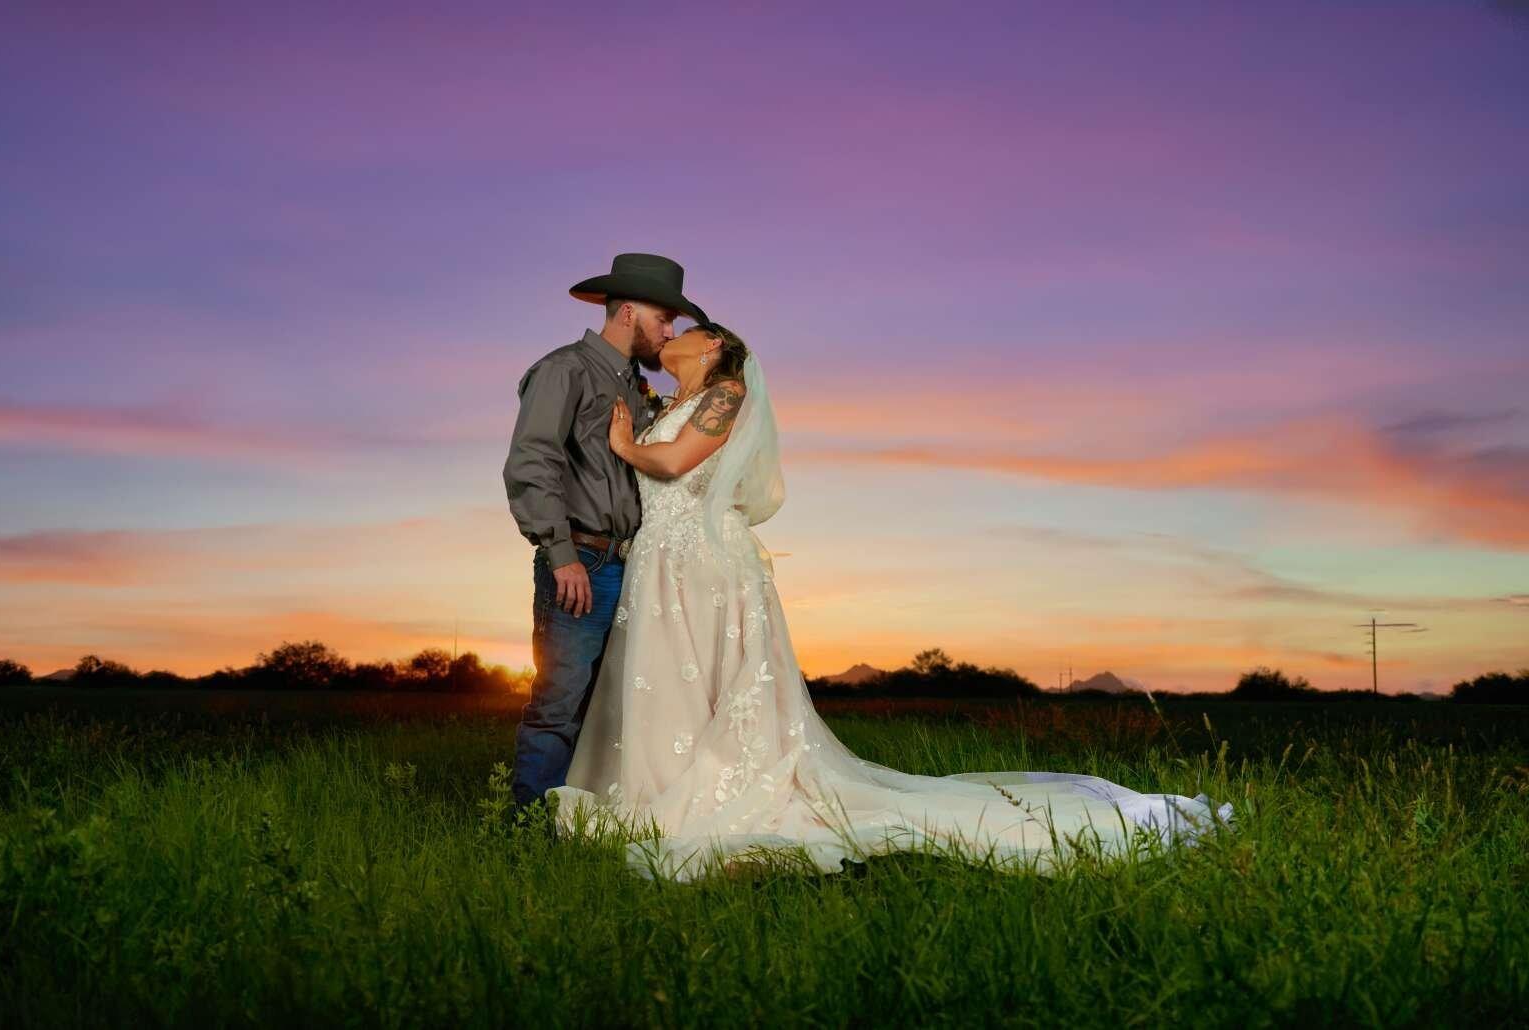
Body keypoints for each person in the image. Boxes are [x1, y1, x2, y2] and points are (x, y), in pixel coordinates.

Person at [545, 321, 1237, 882]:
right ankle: (657, 789)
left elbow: (671, 464)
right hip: (662, 564)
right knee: (669, 688)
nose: (671, 335)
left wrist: (625, 445)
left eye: (686, 329)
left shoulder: (724, 395)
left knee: (718, 689)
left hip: (705, 565)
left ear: (717, 345)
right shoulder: (667, 402)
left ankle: (717, 796)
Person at [502, 252, 710, 812]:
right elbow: (531, 462)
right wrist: (560, 553)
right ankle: (529, 831)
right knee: (559, 702)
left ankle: (585, 821)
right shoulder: (563, 370)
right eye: (663, 319)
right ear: (626, 312)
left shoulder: (636, 385)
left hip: (634, 565)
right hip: (582, 561)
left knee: (611, 709)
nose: (669, 332)